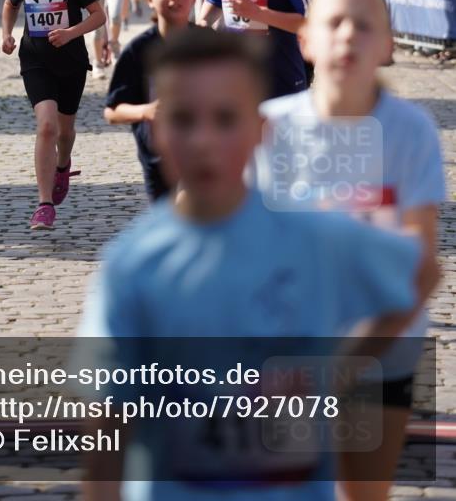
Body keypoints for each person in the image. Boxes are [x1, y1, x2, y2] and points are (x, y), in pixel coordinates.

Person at [80, 28, 438, 501]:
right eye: (183, 119)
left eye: (226, 119)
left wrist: (341, 368)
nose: (204, 141)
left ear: (261, 130)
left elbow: (420, 272)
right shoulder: (132, 265)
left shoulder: (315, 235)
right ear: (157, 129)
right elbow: (107, 438)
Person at [255, 0, 445, 501]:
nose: (347, 37)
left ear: (387, 46)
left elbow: (423, 267)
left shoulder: (410, 131)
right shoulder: (268, 128)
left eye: (364, 26)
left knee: (361, 492)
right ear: (306, 40)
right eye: (333, 23)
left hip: (384, 351)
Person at [2, 0, 106, 230]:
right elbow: (10, 5)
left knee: (64, 131)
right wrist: (6, 34)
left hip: (71, 62)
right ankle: (44, 204)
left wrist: (71, 32)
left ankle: (63, 164)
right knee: (46, 126)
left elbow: (99, 15)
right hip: (35, 60)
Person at [104, 0, 199, 201]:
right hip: (158, 161)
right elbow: (112, 112)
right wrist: (145, 111)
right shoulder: (138, 51)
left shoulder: (212, 46)